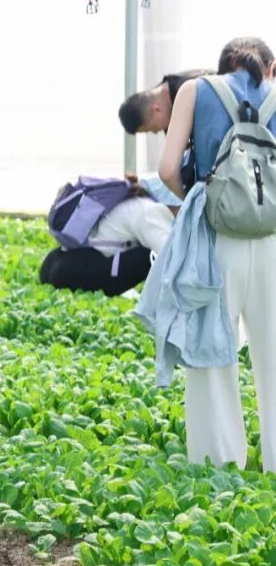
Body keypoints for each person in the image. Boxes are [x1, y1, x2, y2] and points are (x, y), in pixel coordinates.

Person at [157, 36, 276, 471]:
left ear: (222, 66)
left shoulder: (195, 90)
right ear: (269, 67)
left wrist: (199, 199)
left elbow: (167, 169)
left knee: (212, 353)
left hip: (216, 239)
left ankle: (220, 464)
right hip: (271, 240)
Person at [40, 177, 175, 297]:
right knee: (154, 256)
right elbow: (172, 256)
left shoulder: (130, 198)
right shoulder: (150, 210)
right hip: (76, 271)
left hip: (53, 264)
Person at [118, 69, 214, 135]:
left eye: (152, 128)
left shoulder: (192, 90)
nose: (156, 132)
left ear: (156, 109)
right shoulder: (170, 117)